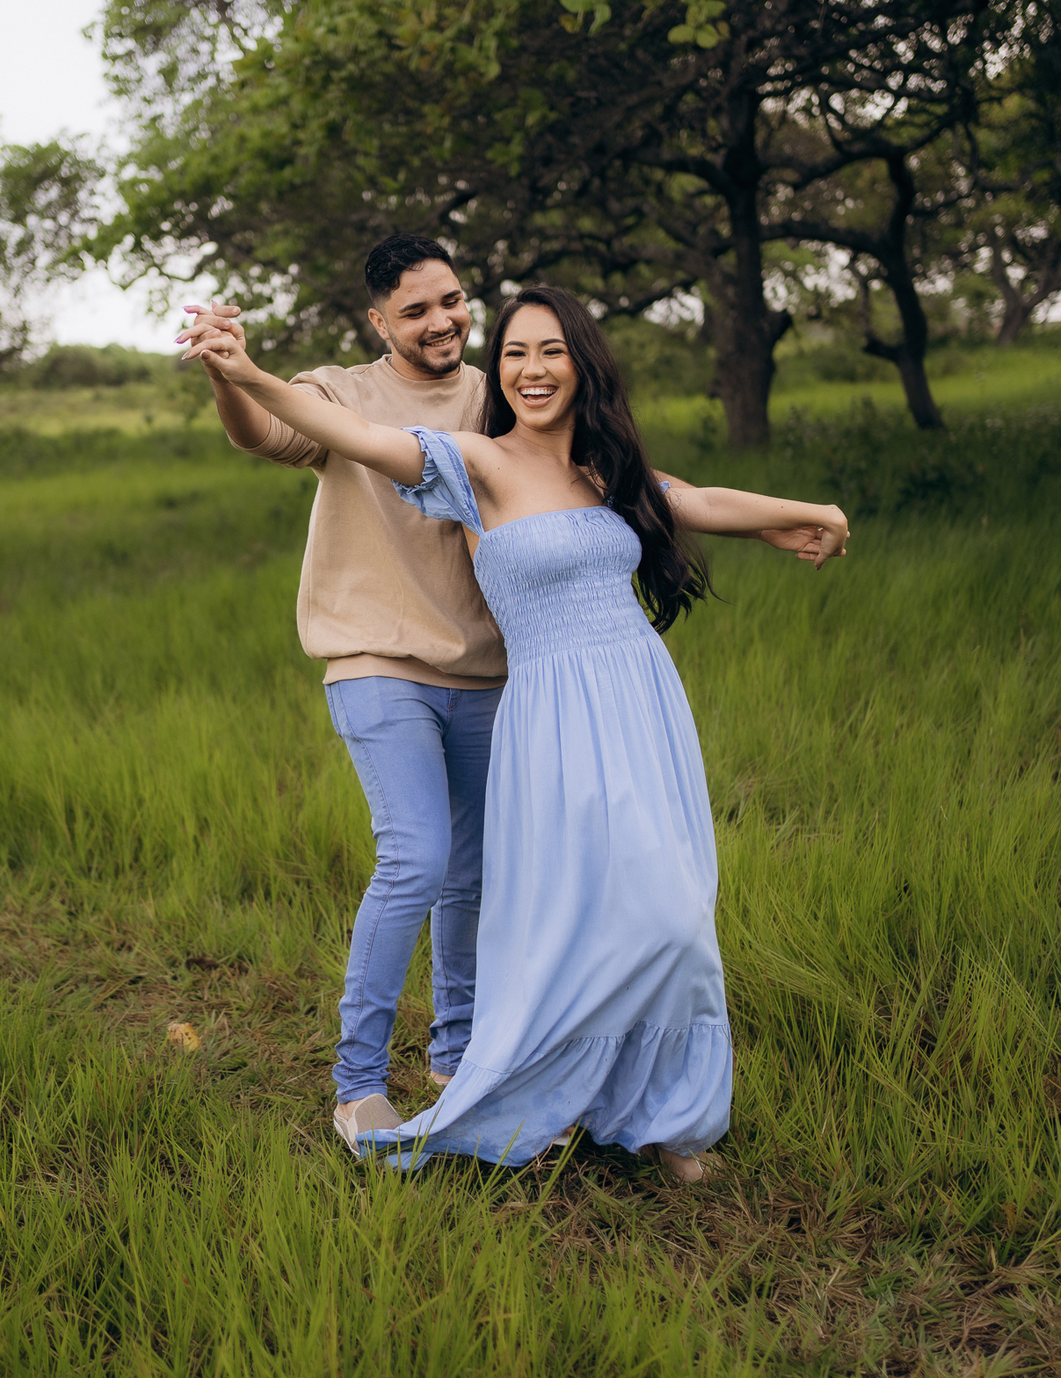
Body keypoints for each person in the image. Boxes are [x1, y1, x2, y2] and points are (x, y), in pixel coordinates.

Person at [182, 283, 849, 1177]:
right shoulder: (475, 463)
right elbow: (352, 436)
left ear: (583, 365)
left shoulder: (604, 471)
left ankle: (664, 1119)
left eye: (551, 352)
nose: (531, 370)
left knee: (674, 912)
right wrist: (248, 372)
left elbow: (691, 498)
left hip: (642, 706)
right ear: (500, 372)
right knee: (583, 917)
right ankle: (506, 1084)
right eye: (515, 354)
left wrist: (804, 515)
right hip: (549, 716)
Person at [179, 236, 508, 1153]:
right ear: (380, 322)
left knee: (472, 874)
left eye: (451, 300)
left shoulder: (497, 391)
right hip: (376, 662)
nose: (440, 321)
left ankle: (457, 1054)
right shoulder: (338, 390)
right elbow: (262, 434)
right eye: (415, 310)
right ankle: (358, 1085)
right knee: (418, 858)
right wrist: (225, 373)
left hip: (485, 667)